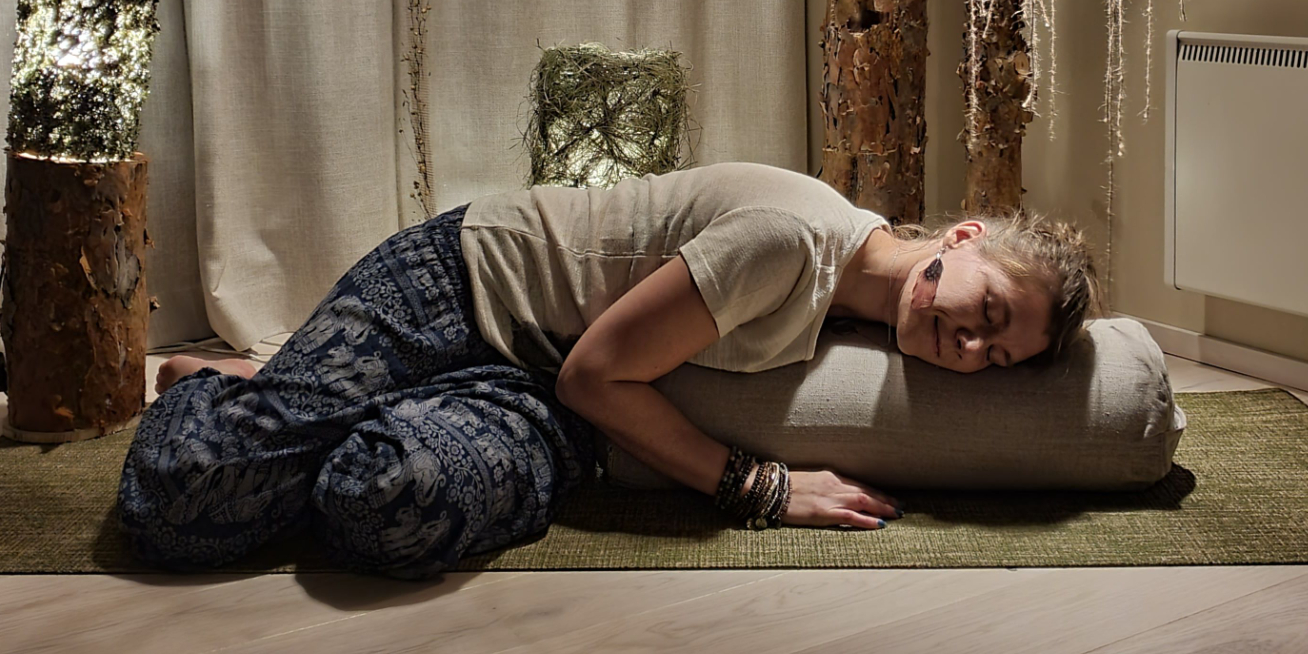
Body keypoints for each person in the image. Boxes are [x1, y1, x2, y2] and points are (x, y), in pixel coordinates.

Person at [120, 162, 1103, 577]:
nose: (967, 346)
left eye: (993, 355)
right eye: (985, 312)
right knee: (188, 493)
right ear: (964, 237)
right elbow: (599, 375)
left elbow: (576, 391)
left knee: (385, 501)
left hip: (538, 399)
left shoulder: (869, 308)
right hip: (463, 285)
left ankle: (298, 402)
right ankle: (222, 386)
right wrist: (760, 487)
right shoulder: (791, 241)